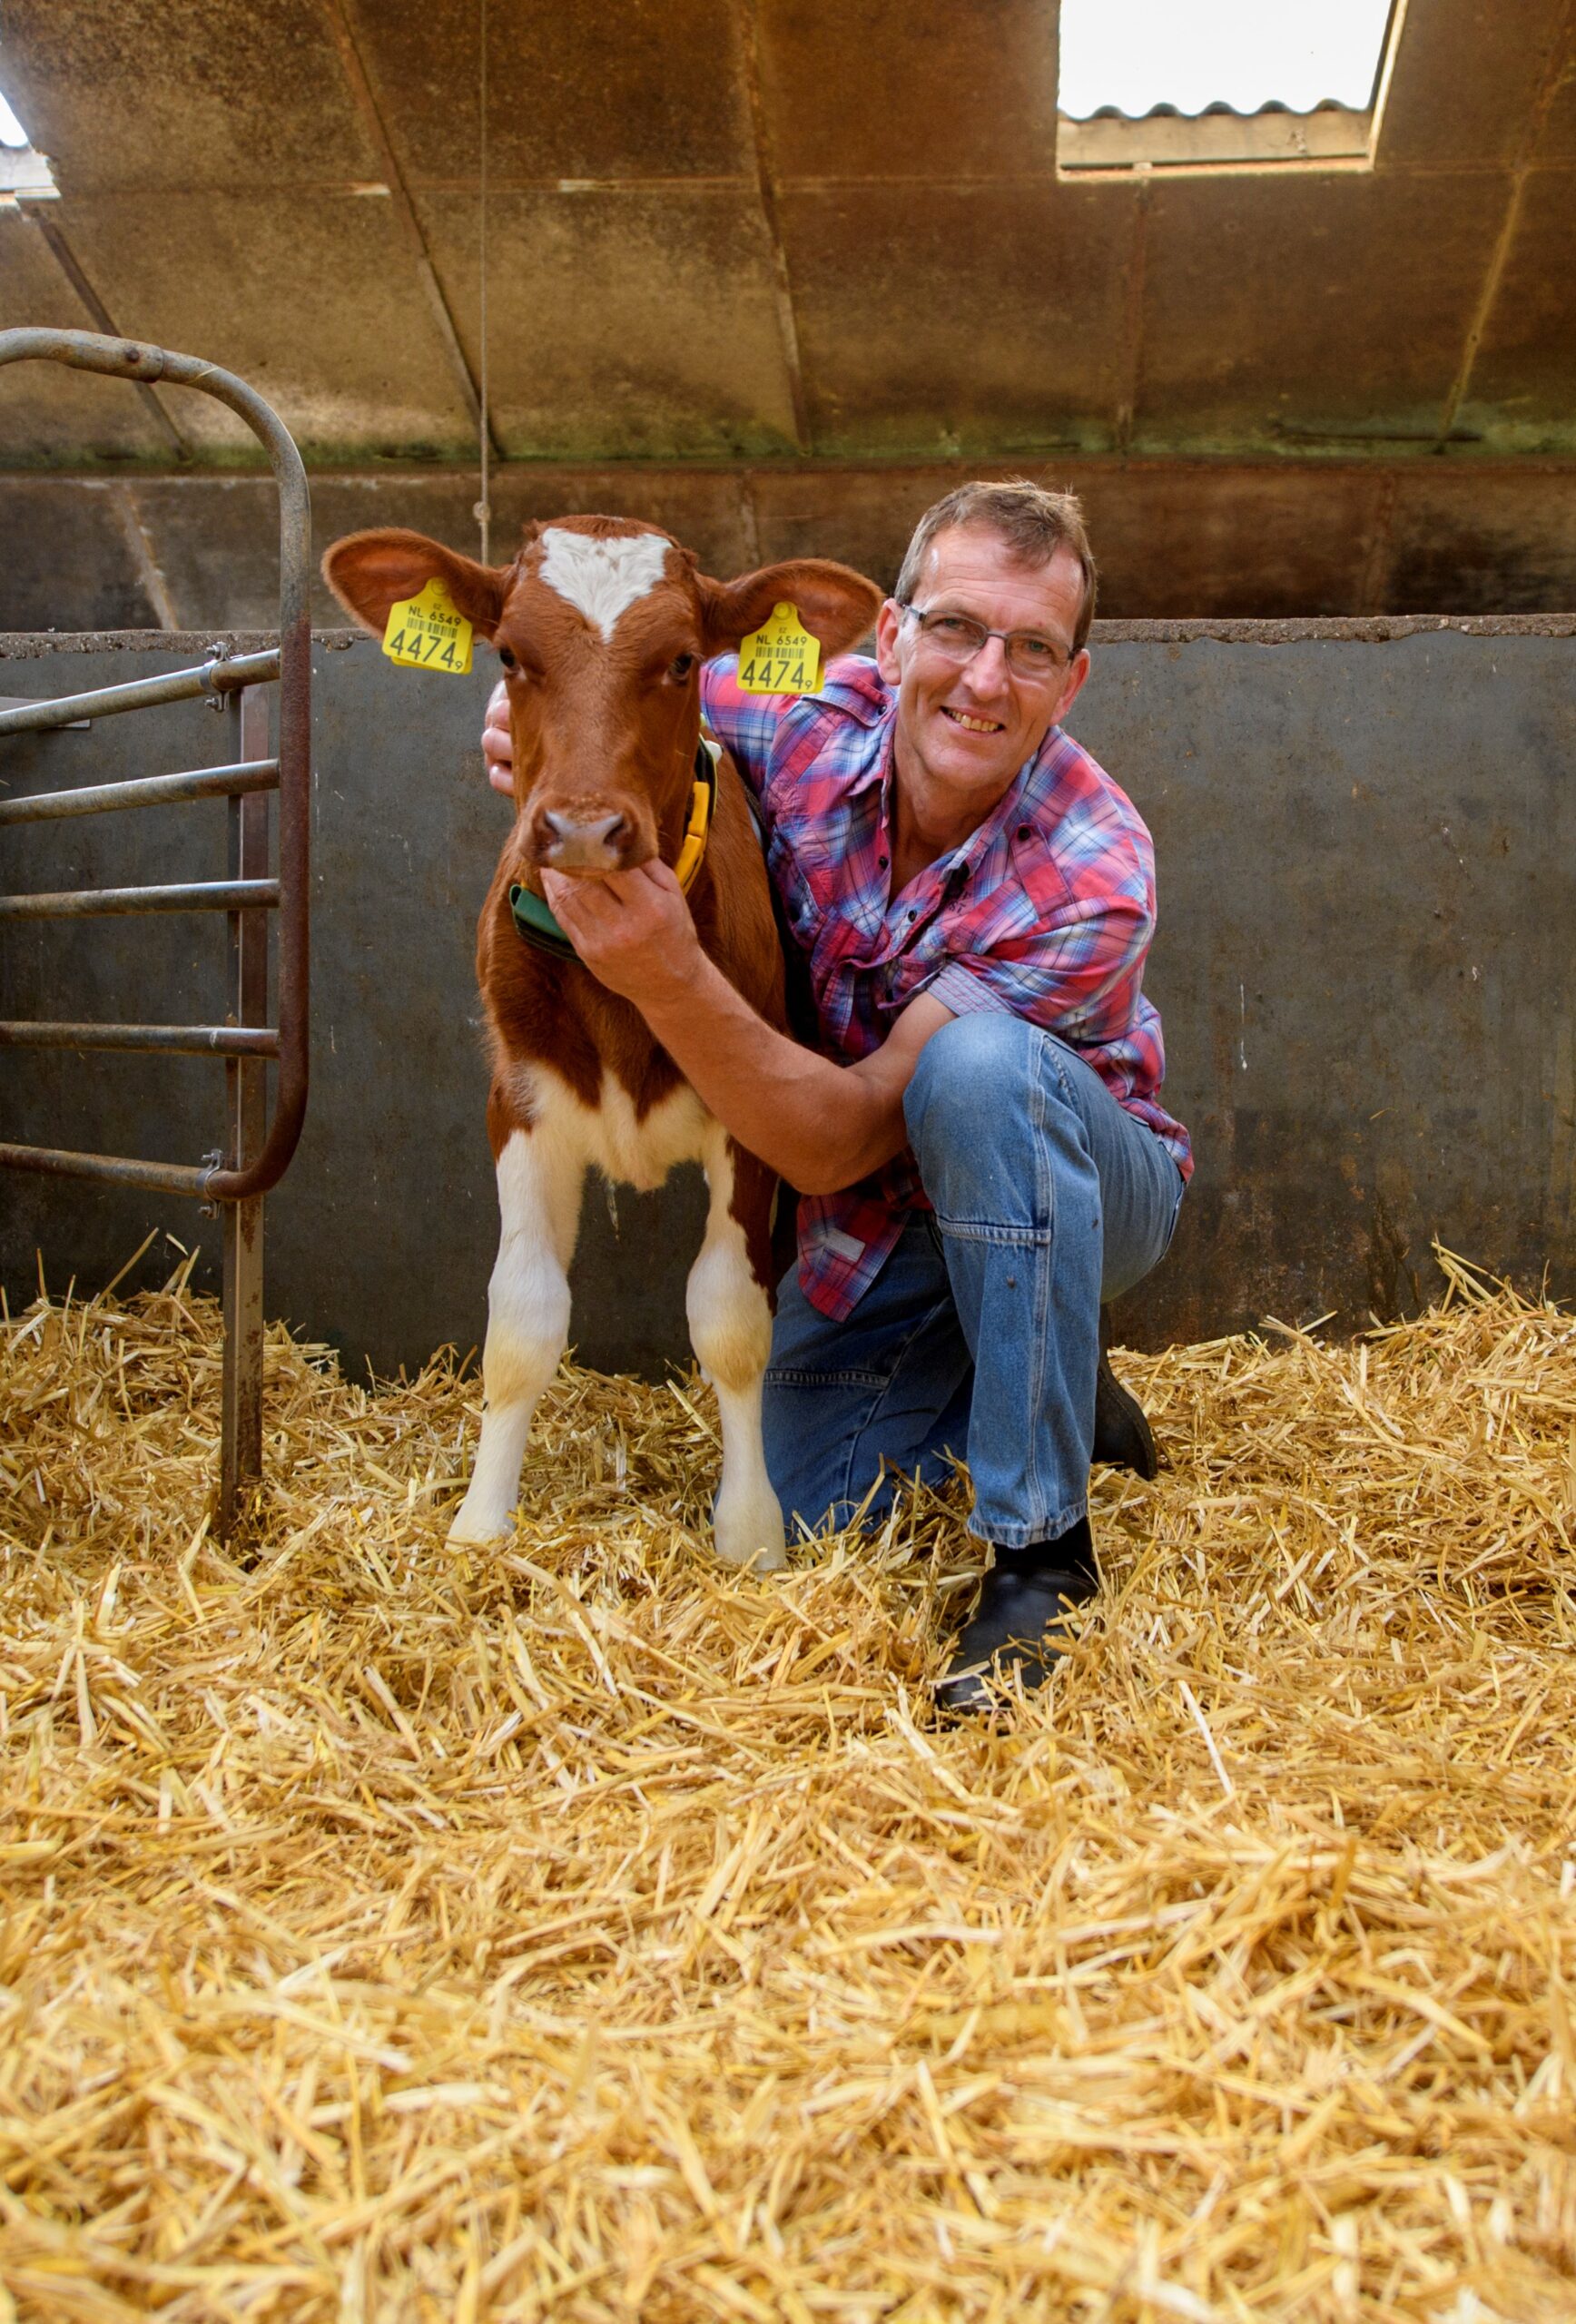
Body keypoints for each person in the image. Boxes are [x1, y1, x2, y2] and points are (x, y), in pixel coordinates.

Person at [482, 480, 1190, 1712]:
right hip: (885, 1233)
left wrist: (664, 974)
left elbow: (841, 1138)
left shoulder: (1095, 866)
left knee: (977, 1073)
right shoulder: (803, 722)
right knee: (810, 1511)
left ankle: (1041, 1561)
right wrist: (542, 717)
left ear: (1069, 685)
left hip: (1073, 1175)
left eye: (1031, 650)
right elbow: (629, 674)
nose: (983, 679)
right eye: (958, 629)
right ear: (890, 636)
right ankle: (1039, 1375)